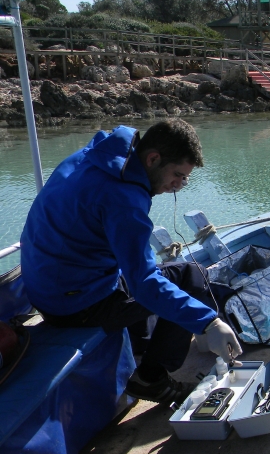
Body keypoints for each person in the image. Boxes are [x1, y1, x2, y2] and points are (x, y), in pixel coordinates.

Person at [20, 119, 242, 403]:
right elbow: (145, 283)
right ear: (152, 158)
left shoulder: (95, 155)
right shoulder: (123, 199)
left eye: (185, 179)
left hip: (46, 287)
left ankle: (143, 343)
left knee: (152, 278)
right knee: (191, 277)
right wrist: (209, 323)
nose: (178, 186)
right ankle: (151, 379)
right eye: (177, 175)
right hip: (74, 304)